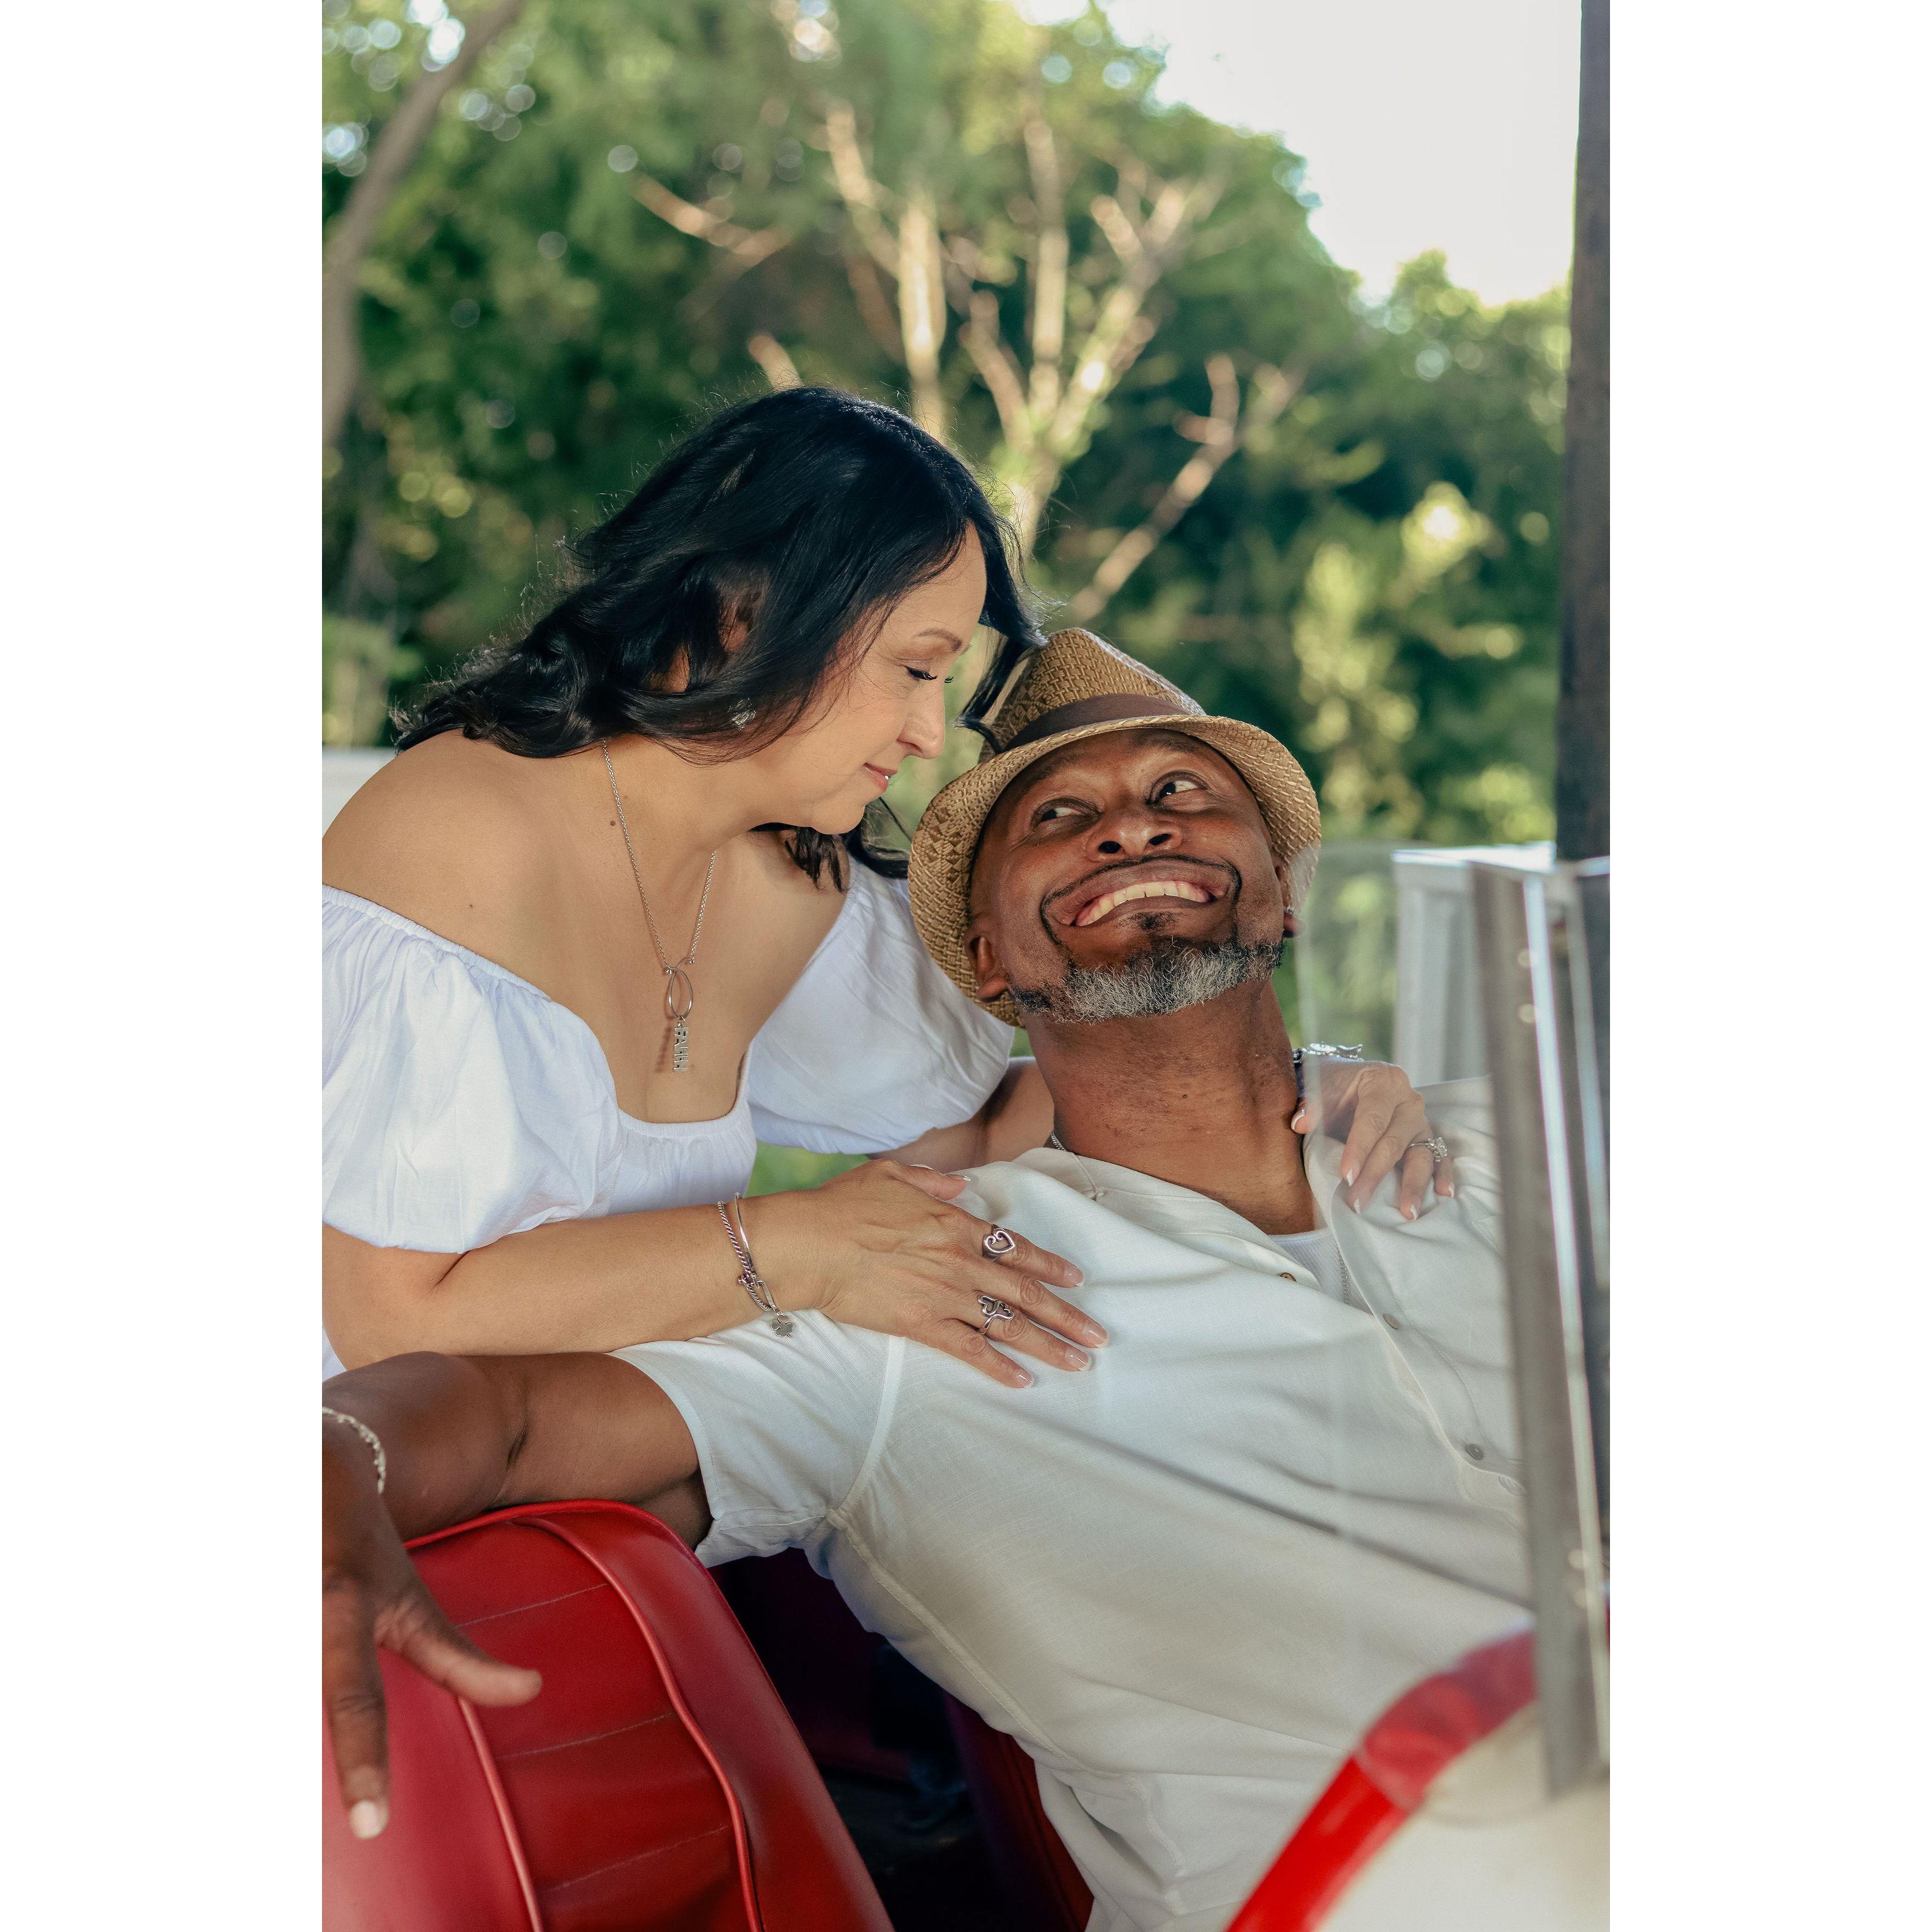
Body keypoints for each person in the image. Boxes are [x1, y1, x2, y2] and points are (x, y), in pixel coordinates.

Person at [322, 631, 1514, 1932]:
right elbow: (500, 1421)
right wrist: (331, 1466)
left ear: (1284, 897)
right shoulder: (917, 1290)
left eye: (1182, 792)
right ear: (986, 965)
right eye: (1058, 819)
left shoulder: (1543, 1146)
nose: (1128, 827)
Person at [323, 386, 1444, 1383]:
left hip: (629, 1490)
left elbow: (980, 1120)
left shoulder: (787, 878)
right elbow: (389, 1322)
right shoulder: (458, 843)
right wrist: (803, 1246)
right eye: (915, 668)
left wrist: (1308, 1089)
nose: (924, 734)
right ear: (746, 616)